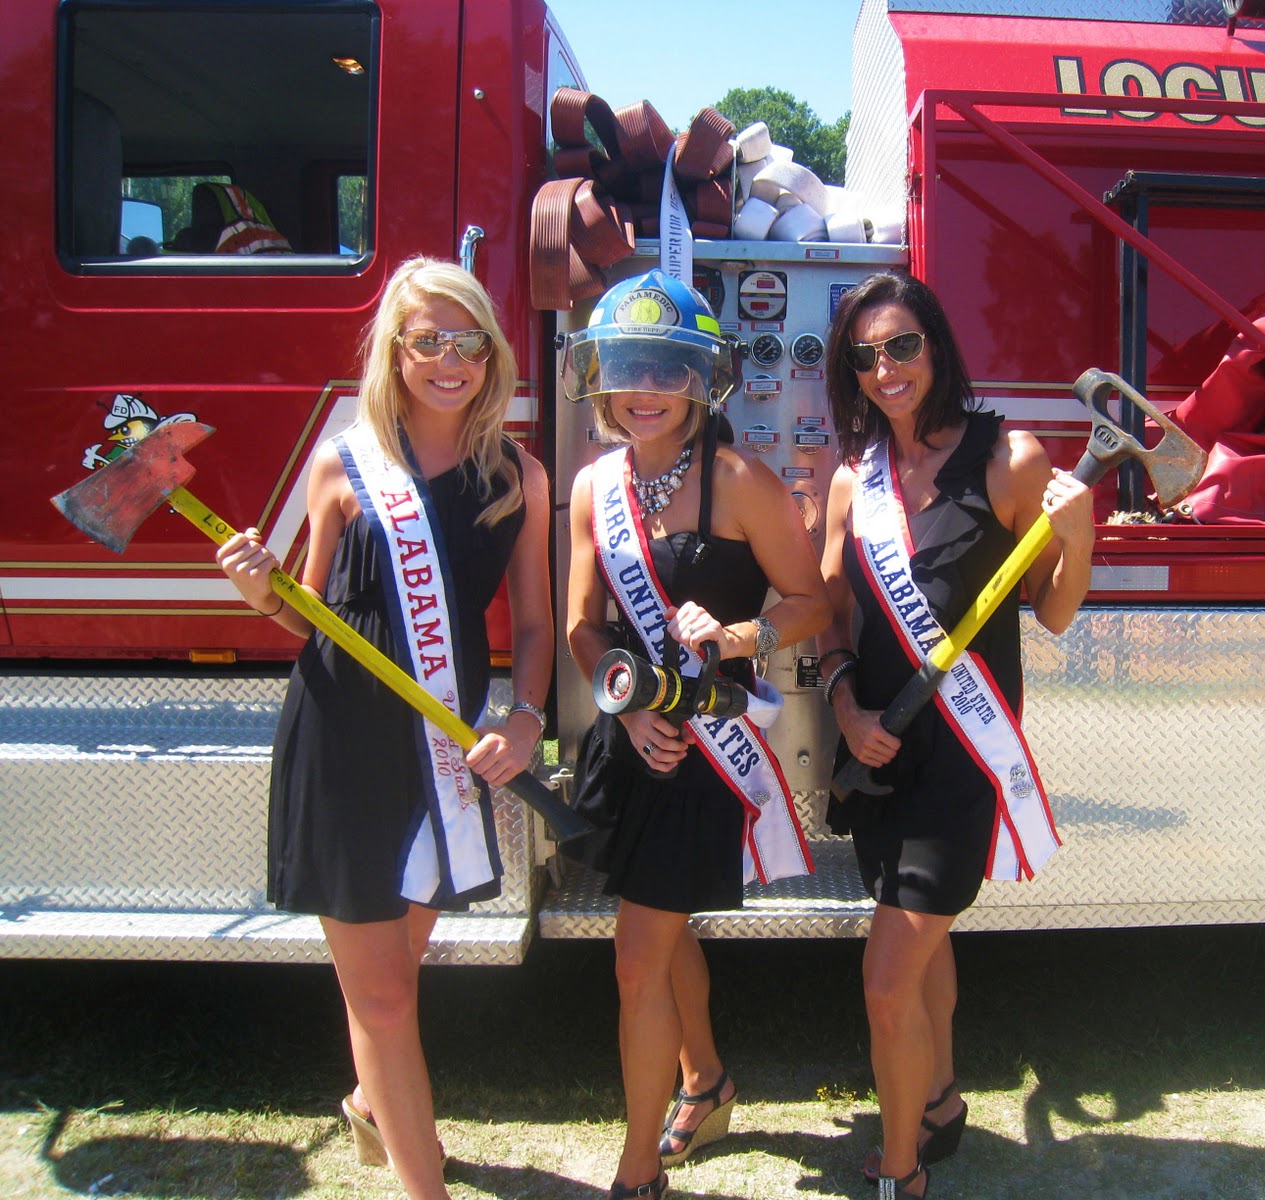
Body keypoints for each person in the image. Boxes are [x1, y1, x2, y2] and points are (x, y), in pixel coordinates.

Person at [216, 257, 553, 1200]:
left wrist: (526, 721)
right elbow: (307, 612)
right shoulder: (342, 460)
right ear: (395, 353)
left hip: (443, 748)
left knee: (398, 964)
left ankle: (374, 1104)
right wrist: (258, 590)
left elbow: (534, 625)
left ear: (492, 354)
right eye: (428, 341)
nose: (451, 361)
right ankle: (421, 1183)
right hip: (343, 743)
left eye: (469, 342)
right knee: (384, 993)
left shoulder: (518, 476)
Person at [816, 271, 1096, 1199]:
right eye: (866, 356)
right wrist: (846, 708)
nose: (886, 369)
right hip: (879, 750)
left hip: (962, 760)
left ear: (935, 345)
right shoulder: (853, 478)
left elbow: (1053, 611)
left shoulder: (1008, 458)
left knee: (887, 980)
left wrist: (1080, 536)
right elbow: (831, 610)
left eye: (902, 345)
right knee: (924, 953)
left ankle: (902, 1172)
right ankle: (938, 1103)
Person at [563, 270, 829, 1200]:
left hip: (704, 748)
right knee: (661, 934)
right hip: (632, 738)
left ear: (699, 379)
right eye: (627, 367)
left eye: (666, 369)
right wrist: (627, 708)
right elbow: (582, 627)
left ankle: (638, 1172)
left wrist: (743, 636)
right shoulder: (594, 485)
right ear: (599, 376)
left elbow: (812, 602)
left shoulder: (741, 482)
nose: (644, 390)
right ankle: (706, 1080)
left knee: (637, 958)